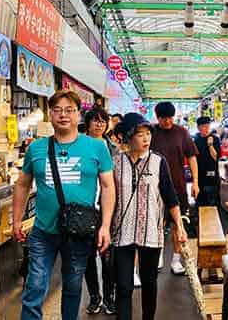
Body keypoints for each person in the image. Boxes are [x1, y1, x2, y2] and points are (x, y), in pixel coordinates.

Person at [13, 90, 115, 320]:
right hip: (43, 231)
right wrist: (17, 220)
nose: (63, 115)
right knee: (35, 287)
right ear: (50, 115)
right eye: (57, 110)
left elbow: (108, 187)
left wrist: (105, 226)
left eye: (69, 110)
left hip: (78, 232)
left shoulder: (97, 148)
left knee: (73, 286)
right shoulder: (36, 148)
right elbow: (22, 185)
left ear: (79, 114)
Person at [111, 113, 188, 320]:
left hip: (151, 232)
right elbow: (107, 197)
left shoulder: (158, 162)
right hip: (121, 232)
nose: (146, 139)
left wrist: (179, 227)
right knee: (124, 286)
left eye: (148, 134)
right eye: (140, 135)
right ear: (127, 137)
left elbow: (170, 196)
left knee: (149, 283)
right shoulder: (115, 163)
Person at [150, 102, 198, 275]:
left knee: (179, 224)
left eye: (170, 117)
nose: (167, 121)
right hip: (155, 188)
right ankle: (159, 254)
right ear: (157, 118)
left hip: (178, 186)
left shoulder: (182, 132)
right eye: (164, 118)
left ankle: (176, 261)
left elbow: (192, 157)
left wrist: (196, 183)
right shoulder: (152, 132)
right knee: (157, 224)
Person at [82, 107, 116, 315]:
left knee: (107, 255)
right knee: (87, 256)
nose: (99, 124)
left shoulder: (112, 147)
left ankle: (110, 296)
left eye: (103, 121)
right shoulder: (80, 144)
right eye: (95, 120)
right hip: (84, 208)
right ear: (87, 123)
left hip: (106, 208)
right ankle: (95, 296)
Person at [193, 116, 220, 207]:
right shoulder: (196, 140)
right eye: (203, 126)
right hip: (199, 176)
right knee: (200, 202)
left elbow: (216, 158)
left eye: (208, 126)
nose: (206, 128)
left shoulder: (215, 139)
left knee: (212, 202)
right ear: (198, 127)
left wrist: (210, 145)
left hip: (211, 176)